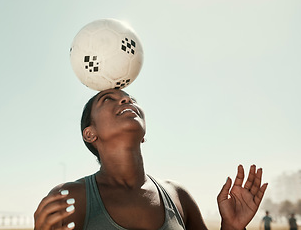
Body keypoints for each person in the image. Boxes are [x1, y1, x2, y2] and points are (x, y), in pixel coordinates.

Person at [34, 89, 268, 230]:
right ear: (90, 133)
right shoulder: (70, 197)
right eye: (108, 99)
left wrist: (232, 227)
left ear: (143, 135)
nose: (126, 101)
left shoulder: (178, 195)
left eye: (130, 98)